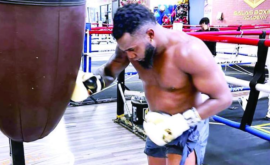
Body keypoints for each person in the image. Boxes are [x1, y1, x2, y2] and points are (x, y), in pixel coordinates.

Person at [71, 4, 232, 165]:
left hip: (187, 125)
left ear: (150, 34)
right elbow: (108, 73)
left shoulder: (188, 51)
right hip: (156, 124)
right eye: (124, 50)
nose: (129, 56)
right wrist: (90, 84)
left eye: (132, 50)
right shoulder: (130, 46)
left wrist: (180, 123)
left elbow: (223, 98)